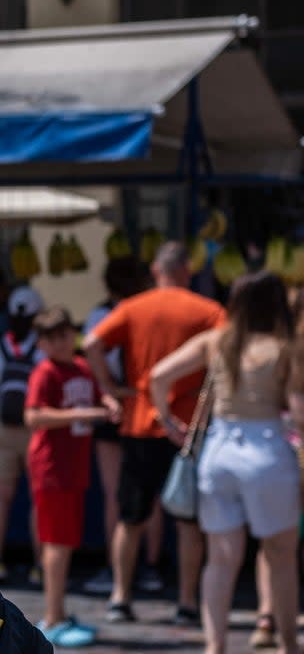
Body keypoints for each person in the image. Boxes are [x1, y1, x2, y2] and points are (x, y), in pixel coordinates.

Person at [150, 271, 301, 654]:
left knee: (219, 559)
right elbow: (299, 412)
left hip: (218, 451)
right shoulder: (285, 347)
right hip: (267, 449)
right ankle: (287, 644)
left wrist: (168, 421)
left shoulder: (215, 342)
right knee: (280, 556)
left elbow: (158, 375)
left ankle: (215, 647)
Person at [83, 241, 226, 627]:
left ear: (155, 270)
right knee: (188, 520)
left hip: (140, 423)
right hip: (188, 430)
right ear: (188, 271)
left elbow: (92, 342)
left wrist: (110, 386)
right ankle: (186, 603)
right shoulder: (209, 311)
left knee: (131, 518)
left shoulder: (133, 307)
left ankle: (120, 596)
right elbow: (227, 355)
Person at [24, 306, 121, 648]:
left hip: (74, 469)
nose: (62, 343)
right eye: (53, 339)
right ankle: (52, 617)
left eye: (66, 335)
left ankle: (59, 612)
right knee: (55, 544)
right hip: (51, 469)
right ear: (42, 344)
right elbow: (34, 417)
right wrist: (89, 412)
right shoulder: (44, 373)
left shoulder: (81, 367)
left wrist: (108, 401)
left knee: (64, 543)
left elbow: (101, 394)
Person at [80, 255, 163, 596]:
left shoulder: (102, 317)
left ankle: (117, 570)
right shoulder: (151, 314)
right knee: (153, 493)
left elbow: (94, 353)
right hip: (148, 408)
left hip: (115, 410)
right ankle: (152, 566)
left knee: (117, 494)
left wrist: (112, 389)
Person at [0, 285, 44, 585]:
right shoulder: (43, 347)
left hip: (0, 426)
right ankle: (39, 565)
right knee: (37, 500)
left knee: (0, 498)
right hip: (34, 427)